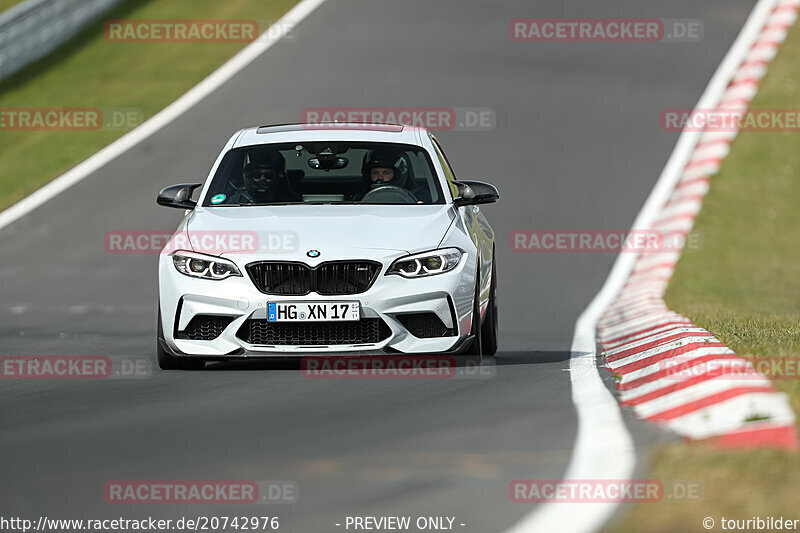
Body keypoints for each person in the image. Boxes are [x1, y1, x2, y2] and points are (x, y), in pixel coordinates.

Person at [354, 151, 431, 203]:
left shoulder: (419, 197)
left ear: (398, 174)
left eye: (386, 173)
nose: (380, 177)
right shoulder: (360, 197)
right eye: (375, 173)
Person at [232, 151, 301, 204]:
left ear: (277, 177)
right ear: (249, 176)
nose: (262, 179)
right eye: (257, 175)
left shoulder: (291, 200)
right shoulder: (239, 199)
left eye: (268, 175)